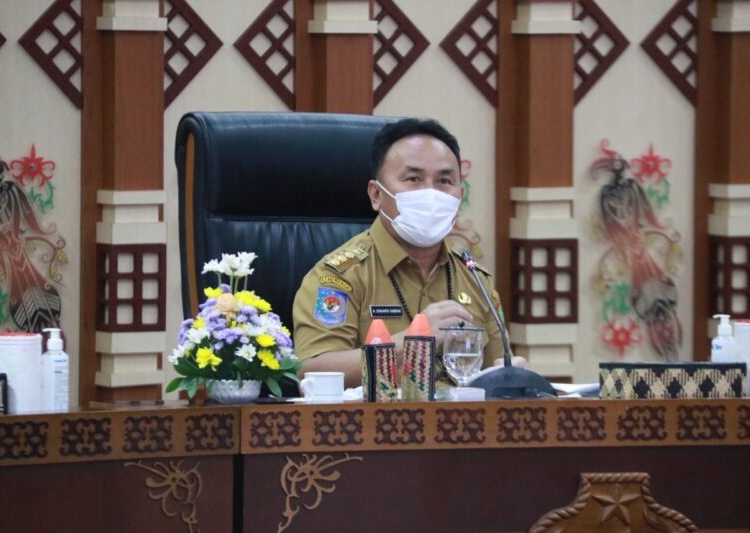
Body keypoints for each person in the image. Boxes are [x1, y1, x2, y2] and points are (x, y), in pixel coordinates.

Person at [292, 117, 522, 388]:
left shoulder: (474, 278)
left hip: (461, 427)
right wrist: (414, 341)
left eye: (444, 180)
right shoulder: (340, 276)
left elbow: (497, 368)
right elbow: (312, 372)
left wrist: (512, 374)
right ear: (376, 194)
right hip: (372, 427)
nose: (430, 193)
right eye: (414, 179)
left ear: (458, 195)